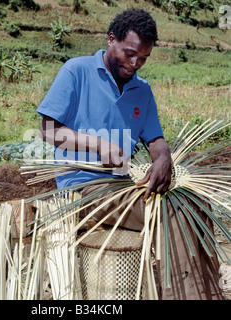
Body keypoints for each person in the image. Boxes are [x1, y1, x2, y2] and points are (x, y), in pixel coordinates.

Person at [36, 9, 222, 300]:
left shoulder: (142, 91)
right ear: (112, 40)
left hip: (123, 186)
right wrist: (99, 145)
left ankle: (206, 292)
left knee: (197, 204)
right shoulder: (77, 70)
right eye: (130, 54)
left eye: (144, 58)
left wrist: (163, 159)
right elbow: (48, 131)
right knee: (170, 211)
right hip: (82, 189)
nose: (135, 64)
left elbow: (156, 140)